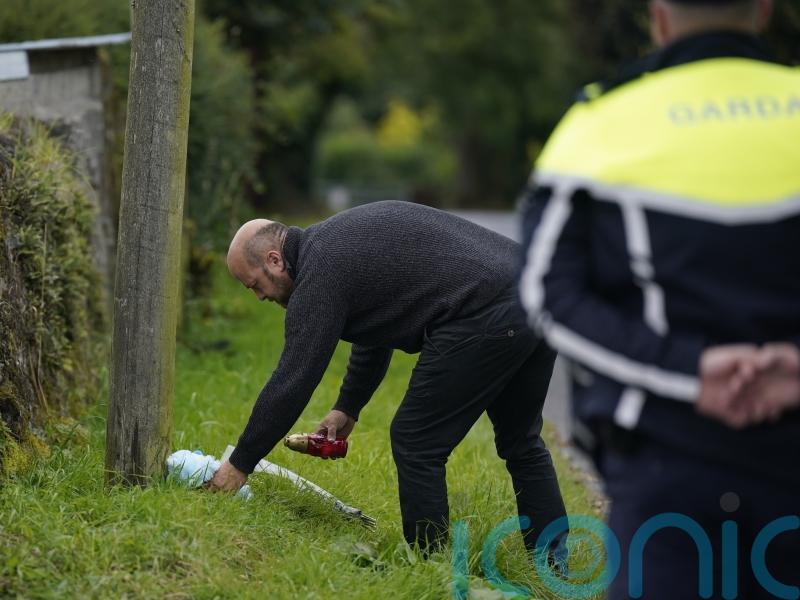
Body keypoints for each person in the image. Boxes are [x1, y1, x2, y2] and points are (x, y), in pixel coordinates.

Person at [517, 0, 800, 597]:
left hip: (668, 463)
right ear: (766, 11)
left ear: (659, 17)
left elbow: (548, 293)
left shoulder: (601, 123)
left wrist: (691, 371)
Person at [207, 201, 569, 562]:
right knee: (521, 441)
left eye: (254, 285)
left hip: (485, 308)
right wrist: (349, 406)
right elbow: (377, 325)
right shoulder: (334, 248)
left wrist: (239, 465)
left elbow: (293, 380)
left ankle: (430, 566)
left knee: (416, 440)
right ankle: (555, 566)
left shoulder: (320, 272)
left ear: (274, 260)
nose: (259, 297)